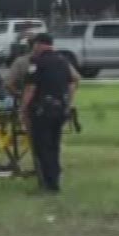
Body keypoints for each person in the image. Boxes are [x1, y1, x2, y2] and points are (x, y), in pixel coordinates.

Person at [20, 32, 80, 195]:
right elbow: (74, 81)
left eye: (34, 45)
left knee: (43, 148)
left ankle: (49, 186)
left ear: (39, 45)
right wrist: (68, 103)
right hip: (60, 110)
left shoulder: (36, 62)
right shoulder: (63, 60)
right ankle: (55, 181)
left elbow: (30, 88)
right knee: (54, 147)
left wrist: (23, 108)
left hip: (42, 112)